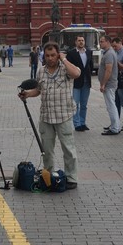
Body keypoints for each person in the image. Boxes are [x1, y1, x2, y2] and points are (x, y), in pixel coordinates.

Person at [18, 42, 81, 189]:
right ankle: (48, 176)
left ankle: (72, 178)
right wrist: (27, 94)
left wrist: (64, 60)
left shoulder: (65, 68)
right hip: (46, 116)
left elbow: (77, 74)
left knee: (68, 149)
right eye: (47, 55)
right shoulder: (41, 71)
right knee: (46, 150)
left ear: (58, 54)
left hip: (63, 115)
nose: (50, 58)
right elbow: (39, 90)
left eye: (53, 55)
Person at [67, 36, 94, 132]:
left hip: (86, 82)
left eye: (82, 40)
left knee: (84, 105)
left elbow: (90, 66)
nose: (81, 42)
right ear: (76, 42)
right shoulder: (71, 53)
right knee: (75, 104)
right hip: (76, 82)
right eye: (79, 40)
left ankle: (83, 123)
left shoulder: (89, 52)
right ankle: (77, 124)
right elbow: (68, 67)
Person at [98, 35, 120, 135]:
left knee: (111, 106)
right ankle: (114, 125)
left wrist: (103, 84)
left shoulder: (109, 54)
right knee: (110, 106)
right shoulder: (108, 53)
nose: (100, 43)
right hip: (109, 84)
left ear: (107, 42)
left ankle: (115, 128)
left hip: (109, 84)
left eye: (102, 41)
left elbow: (108, 70)